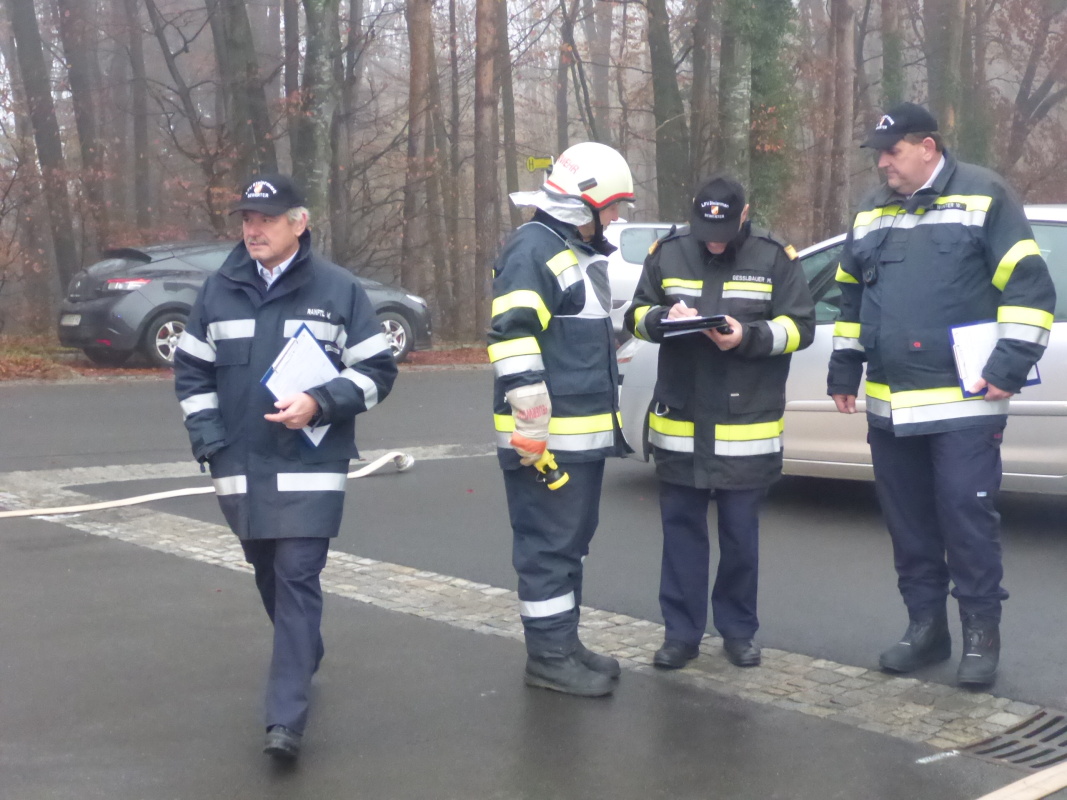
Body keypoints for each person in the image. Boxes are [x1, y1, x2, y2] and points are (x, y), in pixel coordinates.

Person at [827, 103, 1055, 687]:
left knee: (965, 518)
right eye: (879, 154)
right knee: (909, 526)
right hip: (889, 404)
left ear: (928, 147)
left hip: (965, 403)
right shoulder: (872, 210)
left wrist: (1010, 364)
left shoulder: (984, 194)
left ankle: (981, 635)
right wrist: (845, 367)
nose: (883, 164)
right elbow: (851, 296)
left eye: (893, 152)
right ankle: (925, 628)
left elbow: (1029, 287)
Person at [173, 173, 398, 758]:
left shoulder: (339, 289)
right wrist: (210, 440)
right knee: (269, 571)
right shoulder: (217, 291)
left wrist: (320, 401)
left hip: (309, 465)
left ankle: (285, 720)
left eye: (266, 219)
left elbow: (377, 371)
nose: (253, 230)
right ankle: (304, 651)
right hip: (239, 465)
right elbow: (192, 373)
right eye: (247, 219)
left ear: (299, 223)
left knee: (297, 574)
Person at [625, 175, 815, 670]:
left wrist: (746, 336)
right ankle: (680, 634)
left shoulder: (774, 257)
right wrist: (661, 320)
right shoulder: (668, 252)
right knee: (681, 537)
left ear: (745, 214)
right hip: (681, 421)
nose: (713, 241)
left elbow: (801, 327)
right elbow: (636, 314)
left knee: (739, 539)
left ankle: (738, 631)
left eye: (724, 231)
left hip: (744, 425)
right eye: (706, 231)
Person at [488, 141, 635, 697]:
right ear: (583, 204)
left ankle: (564, 644)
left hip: (575, 437)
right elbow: (512, 336)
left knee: (569, 544)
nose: (616, 218)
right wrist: (530, 424)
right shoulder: (534, 249)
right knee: (547, 549)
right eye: (612, 207)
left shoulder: (565, 249)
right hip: (546, 440)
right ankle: (548, 658)